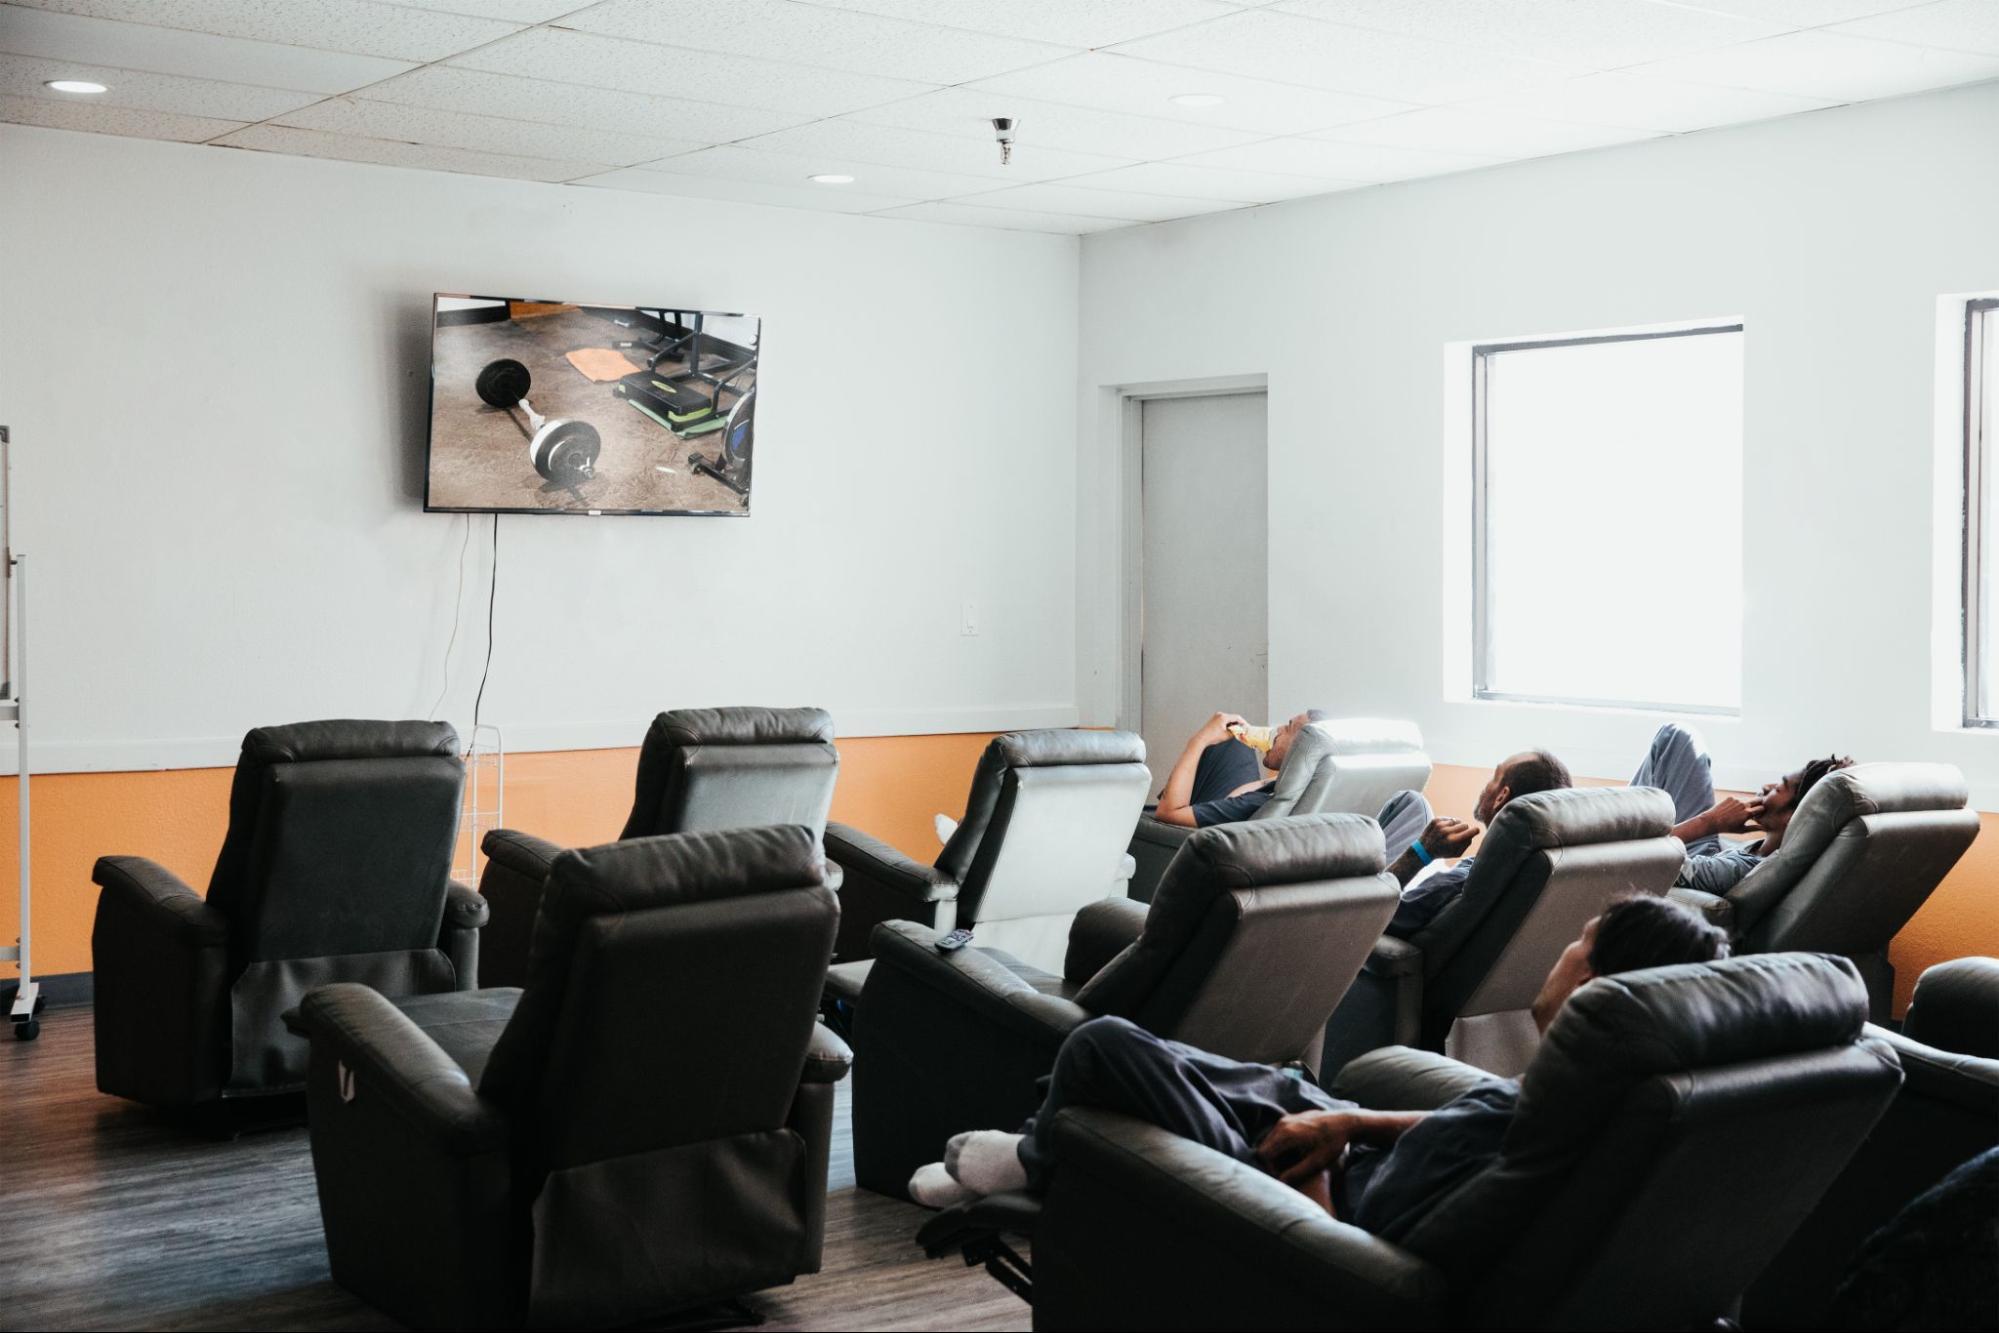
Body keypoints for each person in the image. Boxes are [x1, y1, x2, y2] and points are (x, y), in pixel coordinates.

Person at [908, 894, 1730, 1236]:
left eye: (1578, 940)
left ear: (1592, 982)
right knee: (1276, 1081)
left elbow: (1339, 1246)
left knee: (1104, 1043)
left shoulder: (1557, 1115)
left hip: (1308, 1199)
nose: (1562, 949)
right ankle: (1038, 1144)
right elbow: (1489, 1122)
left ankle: (1032, 1159)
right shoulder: (1600, 1098)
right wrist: (1351, 1119)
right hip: (1350, 1153)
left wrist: (1320, 1156)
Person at [1630, 723, 1854, 896]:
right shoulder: (1767, 852)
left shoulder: (1739, 870)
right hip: (1710, 854)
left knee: (1675, 736)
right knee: (1679, 737)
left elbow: (1640, 858)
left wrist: (1708, 822)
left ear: (1794, 816)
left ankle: (1607, 819)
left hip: (1682, 858)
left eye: (1779, 787)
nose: (1767, 787)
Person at [1377, 748, 1572, 939]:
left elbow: (1372, 916)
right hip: (1426, 893)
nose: (1487, 784)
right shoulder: (1530, 869)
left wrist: (1422, 852)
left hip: (1388, 900)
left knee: (1403, 804)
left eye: (1495, 776)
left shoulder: (1460, 882)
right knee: (1413, 803)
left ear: (1501, 796)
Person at [1150, 709, 1329, 828]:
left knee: (1214, 744)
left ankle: (1173, 796)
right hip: (1234, 807)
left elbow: (1167, 814)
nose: (1278, 730)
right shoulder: (1316, 788)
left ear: (1300, 748)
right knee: (1232, 743)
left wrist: (1199, 740)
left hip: (1183, 837)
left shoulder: (1255, 803)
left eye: (1288, 728)